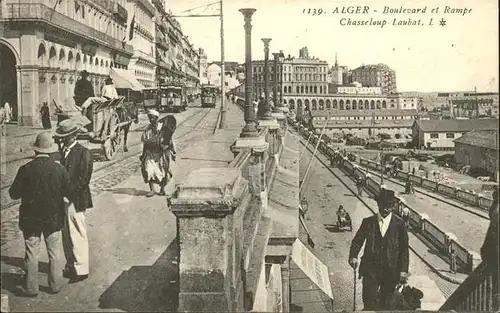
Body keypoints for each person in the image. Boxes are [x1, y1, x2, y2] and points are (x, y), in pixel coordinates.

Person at [9, 132, 72, 297]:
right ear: (51, 151)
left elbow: (13, 194)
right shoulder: (60, 169)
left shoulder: (25, 169)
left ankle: (31, 288)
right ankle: (55, 285)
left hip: (31, 219)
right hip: (53, 218)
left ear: (36, 150)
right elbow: (70, 193)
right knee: (54, 253)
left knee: (31, 252)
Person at [349, 188, 410, 311]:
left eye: (389, 206)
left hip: (391, 271)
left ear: (393, 206)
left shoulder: (400, 225)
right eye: (383, 205)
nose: (386, 209)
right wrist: (353, 256)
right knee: (369, 300)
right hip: (371, 270)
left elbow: (404, 250)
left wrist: (403, 270)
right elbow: (357, 241)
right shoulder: (368, 222)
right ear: (378, 204)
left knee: (387, 303)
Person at [54, 119, 93, 283]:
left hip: (76, 200)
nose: (63, 139)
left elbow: (84, 179)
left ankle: (82, 269)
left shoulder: (83, 152)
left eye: (66, 137)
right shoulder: (64, 152)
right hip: (64, 200)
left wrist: (69, 196)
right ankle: (71, 265)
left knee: (77, 233)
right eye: (62, 137)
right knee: (67, 235)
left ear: (74, 135)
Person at [140, 110, 177, 197]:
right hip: (150, 153)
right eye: (149, 118)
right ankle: (152, 190)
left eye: (152, 118)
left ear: (156, 118)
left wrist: (172, 151)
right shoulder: (148, 130)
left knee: (165, 172)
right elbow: (145, 143)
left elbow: (168, 140)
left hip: (161, 153)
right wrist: (143, 155)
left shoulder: (163, 128)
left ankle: (162, 189)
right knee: (148, 170)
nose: (151, 120)